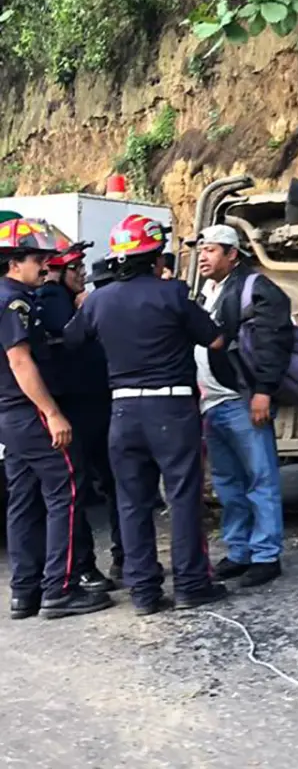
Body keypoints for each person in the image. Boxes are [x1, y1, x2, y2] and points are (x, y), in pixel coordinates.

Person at [65, 214, 228, 616]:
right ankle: (191, 584)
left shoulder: (98, 300)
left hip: (122, 411)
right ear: (155, 258)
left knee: (132, 502)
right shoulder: (172, 294)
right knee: (183, 498)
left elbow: (70, 340)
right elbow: (217, 340)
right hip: (171, 409)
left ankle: (144, 593)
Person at [0, 218, 114, 619]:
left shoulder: (14, 298)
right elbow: (19, 361)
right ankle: (60, 589)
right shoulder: (13, 301)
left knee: (23, 500)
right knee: (66, 490)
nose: (45, 267)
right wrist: (51, 412)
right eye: (37, 259)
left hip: (10, 417)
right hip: (29, 412)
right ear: (15, 262)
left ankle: (25, 591)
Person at [192, 224, 292, 588]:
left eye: (212, 249)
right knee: (227, 482)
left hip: (242, 400)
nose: (203, 256)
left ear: (233, 254)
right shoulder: (205, 292)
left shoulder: (256, 288)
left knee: (259, 478)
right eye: (201, 249)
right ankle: (239, 550)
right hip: (211, 402)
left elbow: (273, 342)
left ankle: (266, 554)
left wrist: (263, 391)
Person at [33, 232, 116, 592]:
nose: (81, 273)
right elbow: (68, 336)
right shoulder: (52, 297)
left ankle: (120, 558)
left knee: (108, 485)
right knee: (77, 490)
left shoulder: (66, 296)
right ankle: (83, 566)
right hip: (77, 409)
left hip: (94, 404)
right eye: (75, 268)